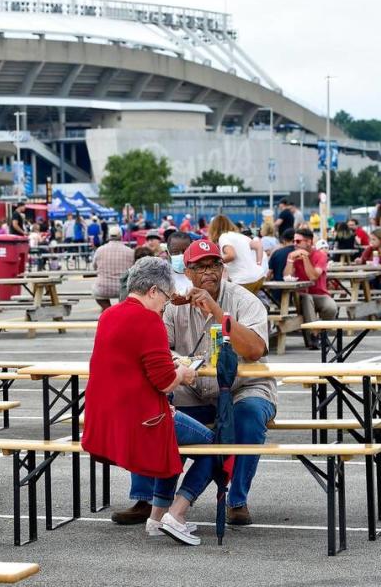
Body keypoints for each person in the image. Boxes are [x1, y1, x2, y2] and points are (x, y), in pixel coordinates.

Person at [114, 239, 272, 528]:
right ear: (186, 273)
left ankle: (237, 500)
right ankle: (146, 498)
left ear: (222, 268)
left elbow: (254, 350)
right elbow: (158, 349)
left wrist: (217, 312)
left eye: (213, 265)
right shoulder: (174, 306)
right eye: (199, 267)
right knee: (153, 412)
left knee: (249, 415)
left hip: (242, 387)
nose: (207, 272)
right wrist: (180, 362)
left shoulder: (244, 300)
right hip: (195, 388)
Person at [86, 257, 215, 545]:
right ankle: (177, 513)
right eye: (166, 299)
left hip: (109, 417)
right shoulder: (149, 320)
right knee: (214, 446)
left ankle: (157, 518)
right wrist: (183, 373)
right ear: (154, 291)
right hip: (143, 420)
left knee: (176, 443)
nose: (165, 306)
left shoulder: (108, 315)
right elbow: (165, 382)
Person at [285, 228, 338, 347]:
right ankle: (314, 334)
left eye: (298, 241)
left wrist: (305, 258)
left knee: (331, 307)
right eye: (294, 241)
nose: (294, 244)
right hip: (300, 295)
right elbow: (287, 276)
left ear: (309, 242)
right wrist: (290, 260)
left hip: (320, 294)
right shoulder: (292, 255)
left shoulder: (320, 256)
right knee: (306, 298)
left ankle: (321, 333)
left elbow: (313, 276)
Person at [209, 215, 266, 294]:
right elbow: (259, 246)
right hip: (259, 276)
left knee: (230, 301)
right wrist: (258, 264)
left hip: (244, 280)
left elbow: (231, 255)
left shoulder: (223, 237)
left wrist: (215, 262)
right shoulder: (240, 236)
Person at [91, 225, 134, 310]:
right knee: (125, 297)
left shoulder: (100, 250)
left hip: (103, 288)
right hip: (123, 289)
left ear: (108, 236)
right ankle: (120, 310)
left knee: (96, 292)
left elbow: (94, 266)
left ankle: (108, 309)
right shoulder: (130, 251)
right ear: (121, 236)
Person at [266, 228, 296, 305]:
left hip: (277, 293)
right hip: (297, 293)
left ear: (284, 240)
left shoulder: (277, 253)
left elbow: (269, 273)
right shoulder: (300, 253)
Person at [166, 232, 193, 298]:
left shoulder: (199, 273)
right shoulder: (163, 277)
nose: (181, 255)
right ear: (168, 253)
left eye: (185, 251)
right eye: (175, 252)